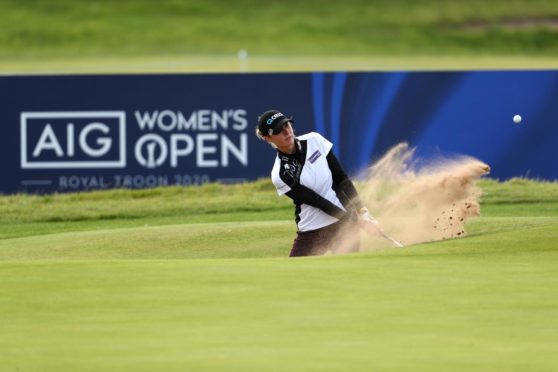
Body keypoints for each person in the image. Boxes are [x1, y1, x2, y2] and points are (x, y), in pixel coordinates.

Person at [256, 109, 381, 257]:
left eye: (286, 125)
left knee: (347, 274)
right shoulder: (280, 174)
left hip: (345, 227)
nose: (286, 131)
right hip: (312, 232)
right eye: (278, 130)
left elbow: (341, 178)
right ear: (268, 138)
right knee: (294, 276)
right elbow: (318, 201)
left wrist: (363, 212)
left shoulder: (314, 140)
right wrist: (356, 221)